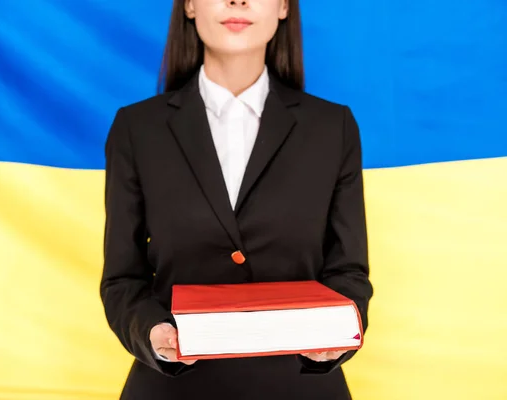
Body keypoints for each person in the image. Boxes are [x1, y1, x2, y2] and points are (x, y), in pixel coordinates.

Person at [100, 0, 374, 398]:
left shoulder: (333, 128)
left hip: (300, 387)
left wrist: (336, 336)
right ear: (190, 6)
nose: (238, 1)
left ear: (282, 7)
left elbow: (349, 272)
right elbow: (123, 279)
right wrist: (153, 332)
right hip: (173, 387)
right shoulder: (137, 128)